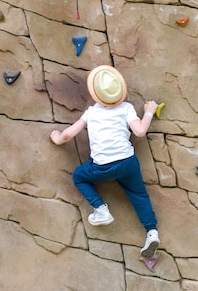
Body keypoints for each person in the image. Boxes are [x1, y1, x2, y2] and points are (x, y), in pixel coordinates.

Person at [49, 65, 160, 258]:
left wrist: (58, 138)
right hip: (127, 162)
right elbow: (140, 132)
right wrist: (149, 111)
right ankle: (152, 232)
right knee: (138, 195)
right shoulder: (126, 108)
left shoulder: (91, 112)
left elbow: (69, 134)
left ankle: (101, 209)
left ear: (96, 95)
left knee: (79, 177)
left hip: (102, 167)